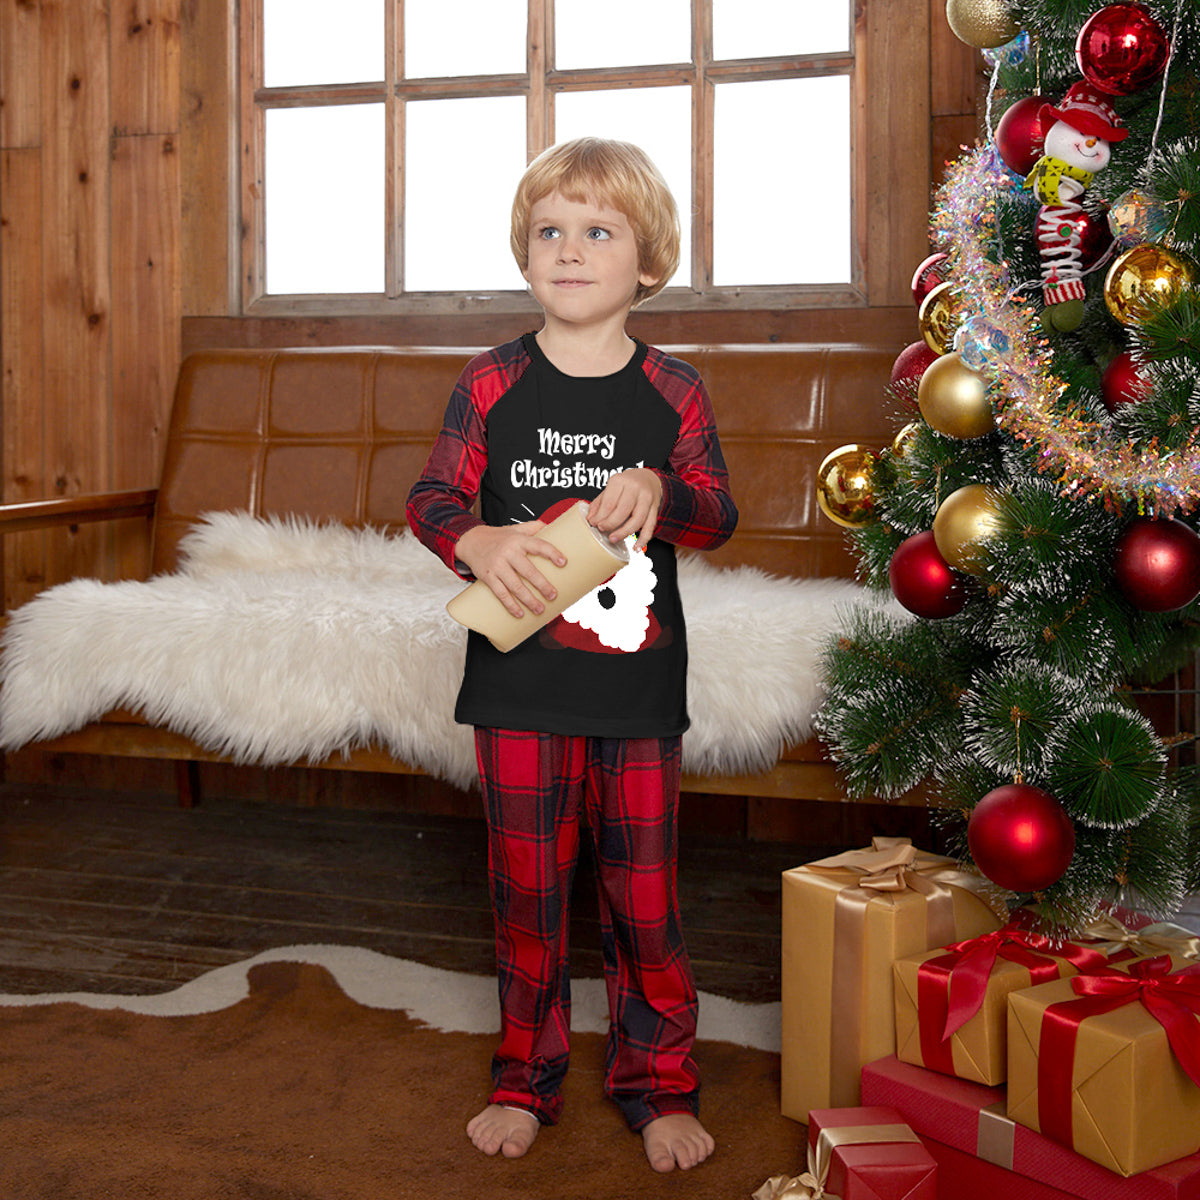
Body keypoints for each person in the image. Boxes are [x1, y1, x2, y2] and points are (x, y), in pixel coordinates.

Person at [406, 136, 737, 1174]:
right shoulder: (491, 381)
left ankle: (658, 1084)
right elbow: (431, 497)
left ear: (648, 261)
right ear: (525, 254)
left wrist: (662, 492)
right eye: (549, 230)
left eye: (599, 231)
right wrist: (478, 541)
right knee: (529, 899)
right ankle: (524, 1078)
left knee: (644, 902)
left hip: (636, 688)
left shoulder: (675, 391)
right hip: (517, 687)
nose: (570, 249)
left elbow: (719, 515)